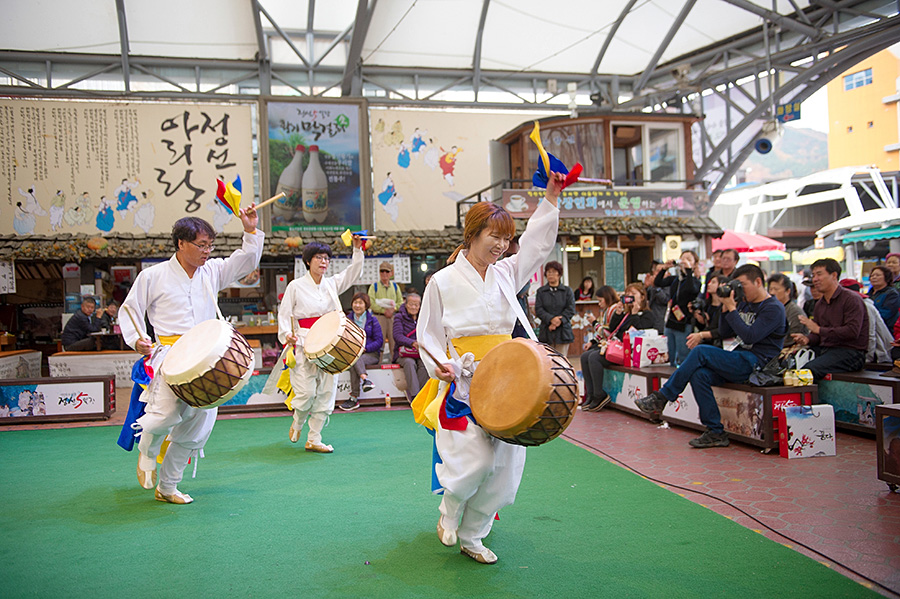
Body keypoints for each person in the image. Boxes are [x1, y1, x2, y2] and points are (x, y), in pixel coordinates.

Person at [415, 172, 562, 564]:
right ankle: (449, 511)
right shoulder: (442, 281)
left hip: (508, 380)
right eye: (493, 236)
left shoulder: (506, 273)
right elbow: (427, 335)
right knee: (475, 461)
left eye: (506, 238)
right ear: (472, 234)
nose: (501, 245)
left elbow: (537, 244)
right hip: (463, 383)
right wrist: (441, 365)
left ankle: (473, 535)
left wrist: (550, 197)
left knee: (506, 469)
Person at [120, 206, 263, 504]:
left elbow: (246, 260)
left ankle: (168, 487)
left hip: (208, 358)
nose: (207, 252)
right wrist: (138, 340)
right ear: (181, 243)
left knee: (197, 429)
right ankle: (147, 451)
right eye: (201, 245)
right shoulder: (153, 276)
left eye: (210, 246)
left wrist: (250, 230)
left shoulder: (212, 271)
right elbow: (130, 310)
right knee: (163, 416)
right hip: (170, 356)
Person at [635, 264, 786, 448]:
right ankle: (715, 431)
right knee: (699, 375)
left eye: (743, 285)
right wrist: (726, 308)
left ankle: (663, 396)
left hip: (758, 365)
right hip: (740, 358)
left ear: (758, 282)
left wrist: (732, 309)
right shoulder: (744, 303)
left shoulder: (773, 308)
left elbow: (750, 336)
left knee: (700, 351)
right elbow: (724, 331)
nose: (740, 289)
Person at [279, 237, 365, 452]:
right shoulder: (295, 286)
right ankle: (298, 421)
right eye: (319, 257)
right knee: (306, 393)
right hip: (304, 341)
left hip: (330, 343)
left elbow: (353, 272)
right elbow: (284, 313)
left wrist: (357, 250)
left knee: (327, 392)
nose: (323, 262)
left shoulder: (331, 284)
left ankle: (314, 439)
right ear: (308, 261)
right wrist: (287, 334)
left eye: (326, 258)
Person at [581, 282, 655, 412]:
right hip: (618, 348)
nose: (630, 296)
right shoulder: (626, 314)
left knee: (594, 357)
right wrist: (618, 313)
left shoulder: (647, 314)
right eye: (628, 294)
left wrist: (635, 313)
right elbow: (613, 329)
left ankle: (599, 395)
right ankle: (591, 394)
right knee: (585, 356)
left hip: (631, 353)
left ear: (642, 297)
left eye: (633, 294)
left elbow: (639, 332)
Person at [791, 258, 867, 380]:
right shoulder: (820, 304)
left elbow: (852, 331)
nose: (815, 279)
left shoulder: (851, 299)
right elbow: (818, 335)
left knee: (808, 371)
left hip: (851, 352)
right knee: (790, 364)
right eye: (813, 275)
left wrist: (818, 330)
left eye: (819, 274)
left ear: (834, 275)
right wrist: (807, 339)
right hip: (826, 350)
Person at [655, 250, 701, 366]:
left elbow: (691, 289)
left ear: (695, 264)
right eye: (683, 259)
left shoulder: (695, 281)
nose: (684, 261)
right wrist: (664, 268)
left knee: (683, 354)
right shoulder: (676, 279)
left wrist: (689, 270)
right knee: (669, 353)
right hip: (671, 320)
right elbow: (658, 282)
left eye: (689, 259)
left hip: (684, 322)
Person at [339, 292, 382, 412]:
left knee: (355, 360)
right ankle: (365, 380)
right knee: (355, 359)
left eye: (360, 303)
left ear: (366, 305)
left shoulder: (373, 320)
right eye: (355, 302)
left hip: (370, 354)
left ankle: (353, 398)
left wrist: (365, 348)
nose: (357, 305)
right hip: (352, 354)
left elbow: (379, 341)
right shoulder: (347, 320)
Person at [839, 279, 892, 364]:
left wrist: (867, 359)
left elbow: (870, 335)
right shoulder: (846, 305)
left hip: (877, 352)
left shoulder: (865, 305)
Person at [535, 261, 576, 356]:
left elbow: (571, 309)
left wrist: (558, 322)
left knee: (561, 360)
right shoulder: (541, 292)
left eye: (553, 272)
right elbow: (539, 309)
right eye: (548, 272)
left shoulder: (567, 291)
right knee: (547, 359)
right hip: (546, 331)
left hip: (563, 332)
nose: (550, 274)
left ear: (559, 274)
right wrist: (551, 319)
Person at [393, 293, 428, 401]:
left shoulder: (423, 317)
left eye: (416, 305)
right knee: (409, 362)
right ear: (406, 304)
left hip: (419, 353)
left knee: (424, 363)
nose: (413, 307)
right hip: (404, 353)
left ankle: (421, 393)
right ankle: (415, 396)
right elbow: (397, 336)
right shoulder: (399, 317)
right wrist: (412, 343)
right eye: (411, 304)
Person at [368, 261, 403, 358]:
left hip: (393, 318)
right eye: (382, 271)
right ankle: (377, 363)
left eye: (387, 271)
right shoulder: (374, 286)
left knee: (394, 342)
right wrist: (384, 311)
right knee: (379, 342)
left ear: (391, 273)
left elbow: (401, 302)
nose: (384, 274)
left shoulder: (395, 287)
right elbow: (371, 303)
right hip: (378, 317)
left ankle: (395, 362)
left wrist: (393, 309)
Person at [767, 273, 808, 347]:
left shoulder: (795, 312)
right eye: (770, 289)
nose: (772, 293)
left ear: (788, 291)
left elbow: (791, 339)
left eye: (776, 289)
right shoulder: (770, 309)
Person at [687, 275, 727, 349]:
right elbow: (702, 327)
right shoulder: (705, 305)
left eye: (713, 282)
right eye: (709, 282)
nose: (709, 284)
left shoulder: (725, 306)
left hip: (720, 345)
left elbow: (722, 329)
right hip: (706, 342)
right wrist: (700, 320)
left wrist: (701, 335)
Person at [867, 266, 900, 330]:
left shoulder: (892, 294)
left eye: (877, 275)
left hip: (886, 330)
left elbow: (885, 314)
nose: (874, 277)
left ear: (886, 277)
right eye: (872, 275)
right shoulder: (868, 295)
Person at [644, 262, 669, 334]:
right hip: (651, 319)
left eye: (661, 271)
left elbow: (665, 299)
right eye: (657, 271)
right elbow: (645, 300)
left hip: (662, 321)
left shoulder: (669, 285)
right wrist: (645, 287)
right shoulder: (652, 286)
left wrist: (655, 286)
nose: (659, 274)